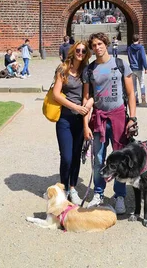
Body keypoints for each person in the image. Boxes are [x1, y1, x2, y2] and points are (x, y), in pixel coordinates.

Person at [82, 32, 137, 214]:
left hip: (119, 116)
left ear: (106, 43)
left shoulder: (120, 65)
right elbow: (87, 98)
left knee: (120, 158)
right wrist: (84, 124)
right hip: (99, 117)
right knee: (98, 158)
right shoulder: (90, 70)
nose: (97, 48)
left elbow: (130, 94)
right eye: (94, 45)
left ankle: (119, 195)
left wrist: (132, 119)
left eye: (100, 44)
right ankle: (98, 193)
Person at [52, 41, 93, 205]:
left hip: (79, 119)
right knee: (67, 157)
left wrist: (86, 120)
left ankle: (73, 187)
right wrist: (75, 106)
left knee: (76, 156)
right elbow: (56, 94)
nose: (80, 53)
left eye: (84, 51)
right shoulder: (63, 69)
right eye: (78, 50)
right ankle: (64, 188)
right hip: (65, 118)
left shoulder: (86, 71)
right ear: (73, 50)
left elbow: (87, 95)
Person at [127, 34, 147, 105]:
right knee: (142, 83)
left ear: (132, 40)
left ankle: (136, 99)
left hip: (132, 68)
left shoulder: (129, 48)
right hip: (139, 68)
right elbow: (143, 57)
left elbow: (129, 58)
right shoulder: (141, 48)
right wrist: (146, 67)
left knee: (134, 85)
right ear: (138, 40)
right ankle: (143, 96)